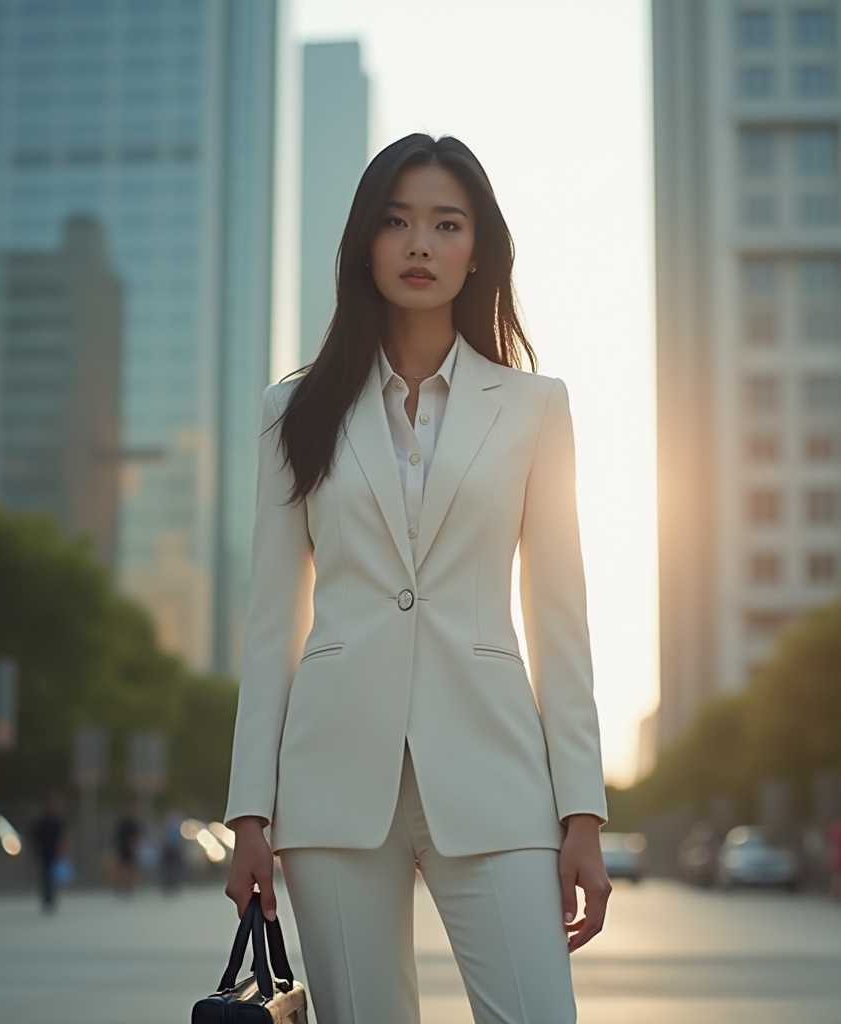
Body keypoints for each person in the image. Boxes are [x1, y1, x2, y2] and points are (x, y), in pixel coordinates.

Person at [223, 134, 610, 1024]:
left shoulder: (534, 408)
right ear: (366, 243)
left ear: (479, 251)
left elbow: (562, 620)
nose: (421, 244)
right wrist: (249, 809)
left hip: (495, 774)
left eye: (446, 224)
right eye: (396, 223)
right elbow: (270, 618)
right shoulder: (297, 409)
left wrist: (582, 810)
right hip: (329, 782)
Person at [30, 794, 68, 912]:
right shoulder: (41, 821)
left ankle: (52, 897)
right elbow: (34, 837)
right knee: (45, 876)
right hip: (44, 852)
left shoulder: (58, 821)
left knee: (54, 876)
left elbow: (63, 837)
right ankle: (47, 898)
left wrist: (63, 849)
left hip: (55, 853)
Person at [114, 803, 141, 895]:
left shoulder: (132, 824)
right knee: (125, 868)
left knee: (130, 868)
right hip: (125, 849)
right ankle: (124, 886)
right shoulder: (123, 825)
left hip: (130, 850)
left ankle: (129, 887)